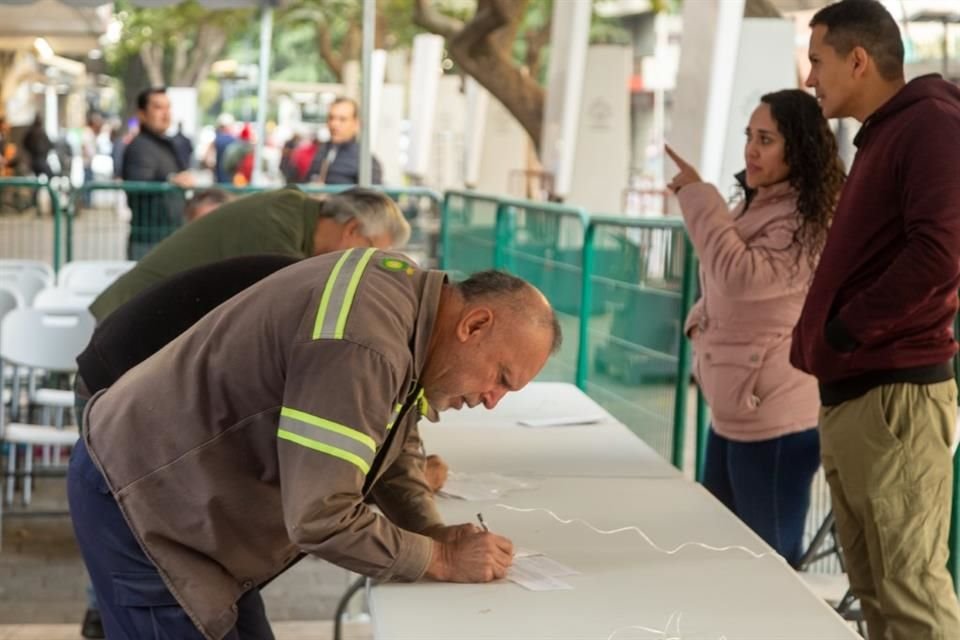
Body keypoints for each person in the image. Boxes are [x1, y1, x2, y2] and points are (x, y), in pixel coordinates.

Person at [68, 262, 561, 639]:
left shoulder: (405, 306)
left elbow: (391, 433)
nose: (492, 400)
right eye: (500, 378)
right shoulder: (366, 342)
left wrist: (428, 528)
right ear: (473, 325)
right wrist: (439, 557)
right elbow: (320, 516)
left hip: (186, 509)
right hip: (144, 507)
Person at [791, 1, 960, 638]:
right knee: (878, 596)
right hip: (861, 395)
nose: (811, 79)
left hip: (893, 397)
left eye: (818, 61)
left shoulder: (932, 126)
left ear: (858, 60)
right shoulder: (893, 130)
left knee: (910, 595)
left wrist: (847, 328)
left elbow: (940, 254)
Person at [666, 88, 844, 567]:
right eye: (749, 136)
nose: (751, 149)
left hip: (776, 419)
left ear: (799, 147)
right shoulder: (760, 207)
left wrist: (699, 198)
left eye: (766, 139)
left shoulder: (809, 221)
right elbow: (725, 287)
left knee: (767, 563)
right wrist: (700, 323)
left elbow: (738, 278)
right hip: (736, 409)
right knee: (717, 552)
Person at [89, 186, 410, 322]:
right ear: (352, 230)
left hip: (147, 326)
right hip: (131, 323)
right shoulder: (279, 221)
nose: (370, 267)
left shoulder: (293, 218)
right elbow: (297, 304)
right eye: (372, 253)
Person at [122, 87, 195, 259]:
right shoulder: (140, 146)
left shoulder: (165, 144)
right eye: (157, 107)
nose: (165, 113)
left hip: (167, 236)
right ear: (142, 114)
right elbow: (138, 184)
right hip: (149, 240)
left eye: (167, 107)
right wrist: (171, 180)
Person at [297, 97, 382, 185]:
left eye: (342, 119)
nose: (334, 124)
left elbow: (373, 196)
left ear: (356, 124)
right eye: (331, 118)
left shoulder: (365, 160)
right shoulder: (321, 151)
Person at [210, 113, 237, 184]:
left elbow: (208, 161)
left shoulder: (216, 141)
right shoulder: (234, 141)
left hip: (218, 179)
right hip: (231, 180)